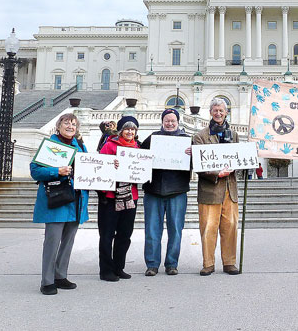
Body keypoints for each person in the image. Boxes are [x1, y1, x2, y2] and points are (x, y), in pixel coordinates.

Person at [30, 113, 89, 295]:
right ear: (59, 126)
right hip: (57, 198)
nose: (70, 126)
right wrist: (57, 171)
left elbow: (90, 167)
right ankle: (47, 280)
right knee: (52, 241)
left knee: (68, 241)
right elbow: (35, 171)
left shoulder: (80, 146)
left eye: (73, 123)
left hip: (76, 199)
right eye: (66, 123)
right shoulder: (51, 145)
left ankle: (60, 275)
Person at [140, 108, 192, 276]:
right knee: (152, 229)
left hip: (177, 191)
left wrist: (192, 156)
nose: (170, 123)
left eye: (173, 121)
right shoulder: (152, 138)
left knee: (175, 229)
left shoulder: (187, 140)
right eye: (167, 121)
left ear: (178, 122)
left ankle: (171, 263)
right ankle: (152, 264)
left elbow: (196, 164)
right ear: (162, 122)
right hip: (153, 190)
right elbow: (139, 158)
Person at [192, 98, 241, 276]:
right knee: (208, 228)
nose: (218, 113)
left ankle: (229, 262)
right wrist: (215, 174)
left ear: (226, 112)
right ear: (210, 113)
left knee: (230, 227)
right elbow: (198, 164)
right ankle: (208, 263)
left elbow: (239, 158)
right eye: (215, 110)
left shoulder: (234, 135)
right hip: (210, 189)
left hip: (230, 189)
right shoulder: (200, 136)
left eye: (221, 110)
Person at [97, 115, 140, 281]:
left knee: (124, 234)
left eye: (133, 129)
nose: (130, 131)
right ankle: (106, 270)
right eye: (127, 129)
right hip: (110, 197)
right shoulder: (108, 146)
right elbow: (99, 168)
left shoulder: (138, 148)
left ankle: (119, 266)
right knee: (107, 234)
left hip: (130, 196)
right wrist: (110, 164)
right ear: (121, 131)